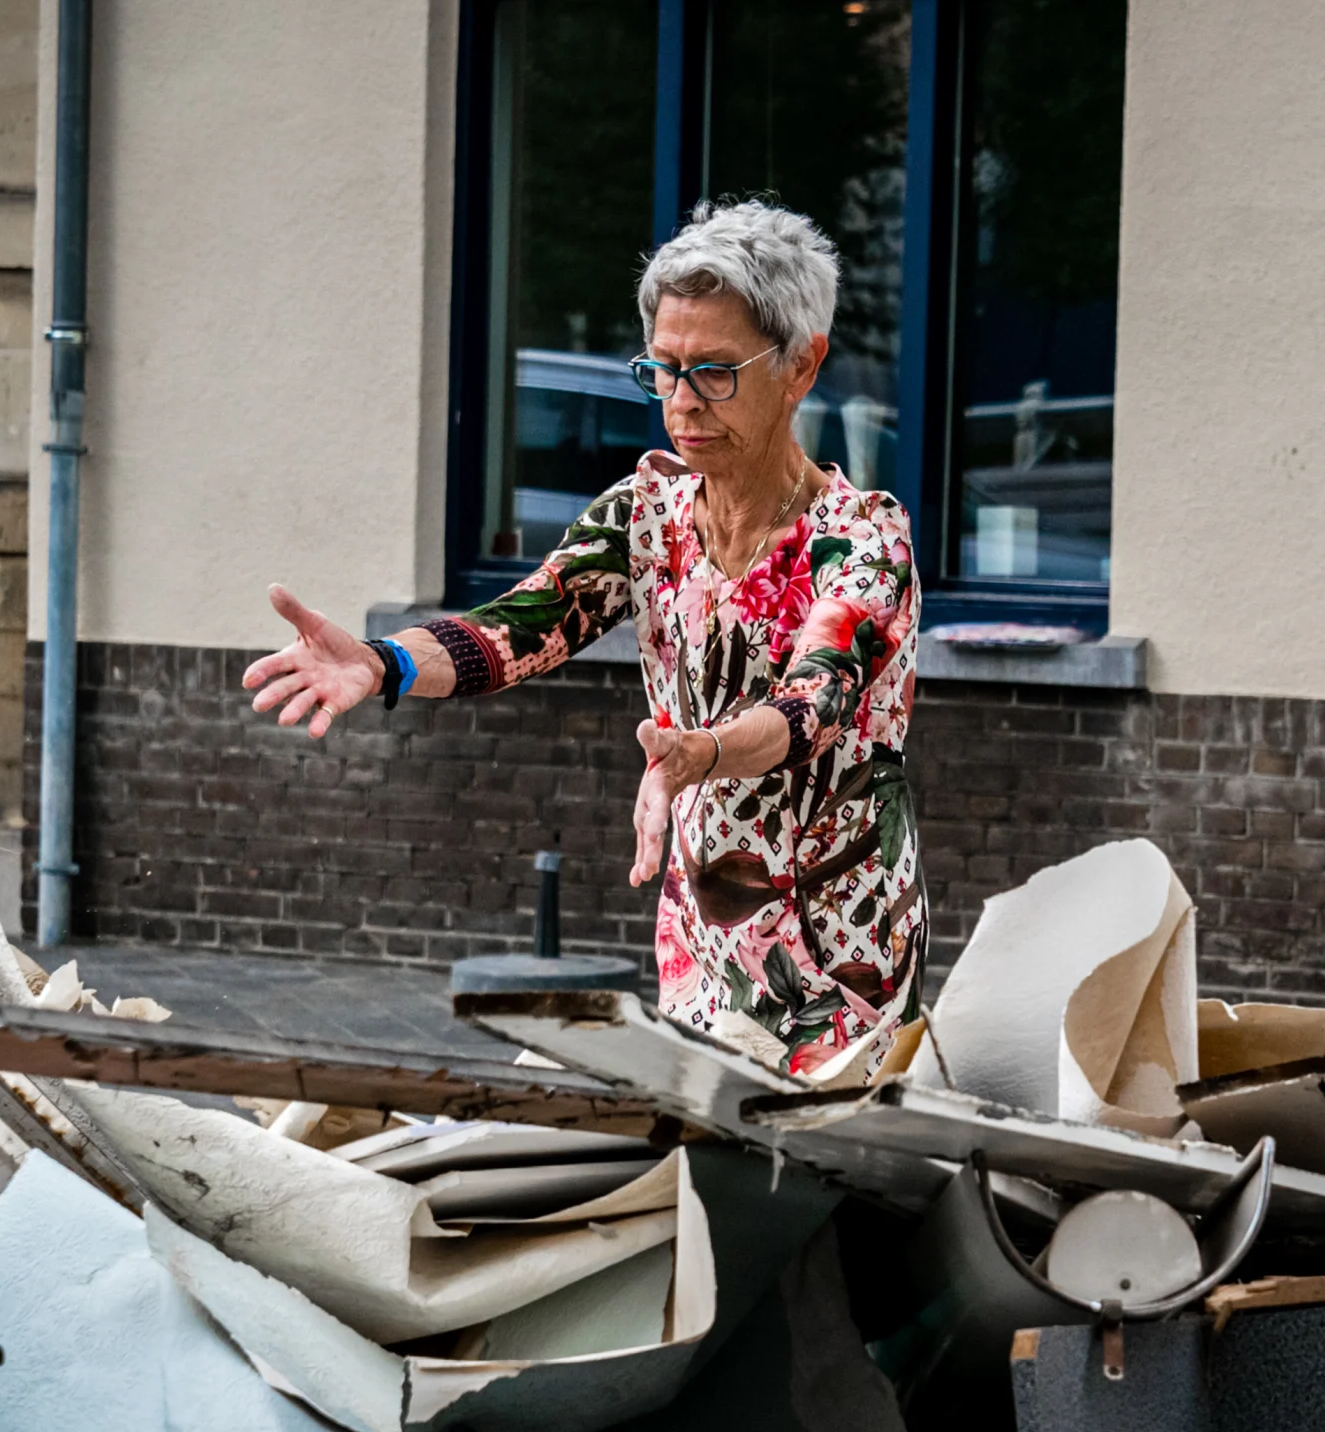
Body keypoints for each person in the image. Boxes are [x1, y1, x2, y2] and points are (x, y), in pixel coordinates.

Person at [243, 201, 925, 1082]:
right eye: (664, 370)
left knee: (824, 1162)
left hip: (844, 951)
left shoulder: (863, 539)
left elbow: (813, 703)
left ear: (801, 365)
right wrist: (385, 663)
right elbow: (522, 625)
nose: (682, 402)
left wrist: (702, 752)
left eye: (715, 373)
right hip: (705, 945)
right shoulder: (646, 516)